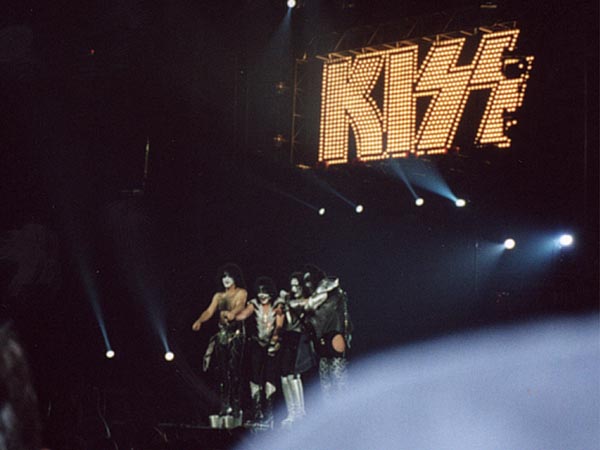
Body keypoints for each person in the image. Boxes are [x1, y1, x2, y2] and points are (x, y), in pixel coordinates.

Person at [192, 264, 247, 424]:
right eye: (224, 277)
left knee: (234, 370)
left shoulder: (241, 292)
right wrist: (199, 321)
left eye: (229, 276)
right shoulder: (218, 296)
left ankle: (236, 404)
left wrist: (232, 313)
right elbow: (209, 311)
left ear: (235, 278)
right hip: (222, 335)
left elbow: (240, 305)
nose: (226, 279)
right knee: (222, 370)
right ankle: (225, 404)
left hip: (236, 335)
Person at [292, 264, 352, 399]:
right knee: (326, 377)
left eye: (309, 280)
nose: (307, 285)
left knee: (338, 376)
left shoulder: (330, 291)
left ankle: (345, 408)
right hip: (323, 338)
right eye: (305, 281)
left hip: (334, 335)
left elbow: (312, 305)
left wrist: (295, 304)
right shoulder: (325, 293)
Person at [235, 277, 283, 428]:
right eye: (260, 292)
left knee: (270, 377)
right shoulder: (254, 304)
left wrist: (275, 339)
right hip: (257, 344)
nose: (262, 295)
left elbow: (279, 325)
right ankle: (257, 413)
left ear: (271, 293)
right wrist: (233, 314)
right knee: (255, 377)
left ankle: (269, 415)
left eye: (265, 292)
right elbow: (243, 315)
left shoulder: (277, 304)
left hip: (272, 345)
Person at [277, 272, 312, 426]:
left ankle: (300, 412)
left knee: (294, 375)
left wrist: (289, 303)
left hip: (300, 338)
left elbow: (305, 305)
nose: (294, 289)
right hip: (289, 337)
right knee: (284, 376)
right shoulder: (289, 301)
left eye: (297, 286)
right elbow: (288, 320)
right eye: (292, 286)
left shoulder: (308, 300)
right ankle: (291, 413)